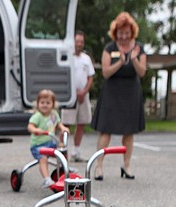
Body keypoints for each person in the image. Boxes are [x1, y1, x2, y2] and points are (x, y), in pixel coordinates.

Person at [91, 12, 147, 180]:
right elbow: (106, 72)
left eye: (127, 33)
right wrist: (121, 62)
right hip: (112, 92)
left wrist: (134, 59)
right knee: (105, 130)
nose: (124, 36)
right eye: (121, 33)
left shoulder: (139, 48)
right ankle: (99, 166)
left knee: (129, 132)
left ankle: (127, 166)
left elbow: (142, 72)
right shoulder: (110, 48)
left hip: (131, 93)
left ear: (132, 32)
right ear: (116, 32)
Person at [61, 31, 95, 162]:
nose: (79, 44)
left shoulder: (86, 59)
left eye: (81, 41)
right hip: (70, 95)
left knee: (81, 123)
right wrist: (74, 92)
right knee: (66, 124)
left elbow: (90, 77)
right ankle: (62, 151)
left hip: (83, 95)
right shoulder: (67, 57)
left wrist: (84, 91)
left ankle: (76, 151)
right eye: (77, 41)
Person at [27, 89, 68, 188]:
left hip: (50, 143)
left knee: (63, 151)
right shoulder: (37, 116)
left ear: (53, 104)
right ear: (38, 104)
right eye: (42, 103)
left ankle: (65, 169)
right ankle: (47, 179)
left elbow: (58, 124)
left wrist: (63, 128)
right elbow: (30, 126)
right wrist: (36, 130)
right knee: (43, 159)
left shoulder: (54, 114)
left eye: (48, 103)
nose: (45, 105)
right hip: (38, 145)